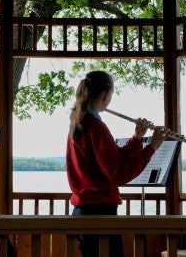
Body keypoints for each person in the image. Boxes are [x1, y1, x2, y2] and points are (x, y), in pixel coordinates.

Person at [66, 70, 169, 257]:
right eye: (111, 94)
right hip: (98, 214)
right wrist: (151, 147)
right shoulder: (96, 126)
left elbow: (113, 158)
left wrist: (137, 138)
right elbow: (119, 173)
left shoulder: (81, 122)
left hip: (84, 211)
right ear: (105, 95)